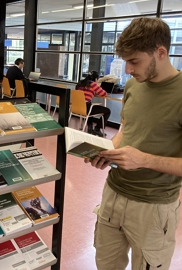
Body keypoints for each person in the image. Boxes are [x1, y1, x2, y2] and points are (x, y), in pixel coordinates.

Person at [87, 17, 182, 270]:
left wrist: (144, 159)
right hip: (112, 194)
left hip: (153, 206)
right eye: (125, 61)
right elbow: (127, 129)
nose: (127, 69)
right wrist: (110, 151)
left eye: (134, 61)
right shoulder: (133, 85)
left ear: (161, 52)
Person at [76, 70, 111, 137]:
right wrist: (96, 89)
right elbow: (104, 94)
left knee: (90, 104)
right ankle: (97, 129)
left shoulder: (80, 83)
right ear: (96, 79)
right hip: (86, 109)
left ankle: (90, 127)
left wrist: (93, 92)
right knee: (107, 111)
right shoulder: (93, 84)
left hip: (78, 107)